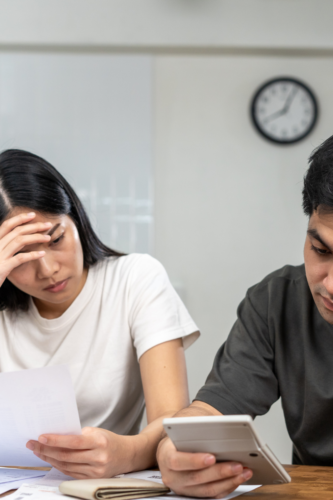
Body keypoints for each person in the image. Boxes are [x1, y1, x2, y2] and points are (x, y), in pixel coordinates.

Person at [0, 149, 199, 479]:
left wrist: (128, 453)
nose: (48, 269)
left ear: (75, 218)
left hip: (103, 487)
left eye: (56, 238)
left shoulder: (135, 279)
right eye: (21, 257)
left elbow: (172, 419)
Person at [157, 134, 333, 498]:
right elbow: (208, 413)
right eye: (320, 250)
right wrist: (175, 454)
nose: (330, 286)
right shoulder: (277, 301)